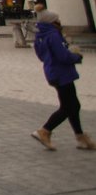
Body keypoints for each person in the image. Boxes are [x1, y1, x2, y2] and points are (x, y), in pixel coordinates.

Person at [30, 10, 96, 151]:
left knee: (74, 105)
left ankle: (80, 137)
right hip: (62, 73)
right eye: (57, 19)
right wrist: (76, 57)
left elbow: (42, 56)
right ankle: (44, 131)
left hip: (52, 72)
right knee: (68, 107)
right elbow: (63, 56)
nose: (59, 21)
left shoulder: (40, 36)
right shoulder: (53, 35)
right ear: (52, 22)